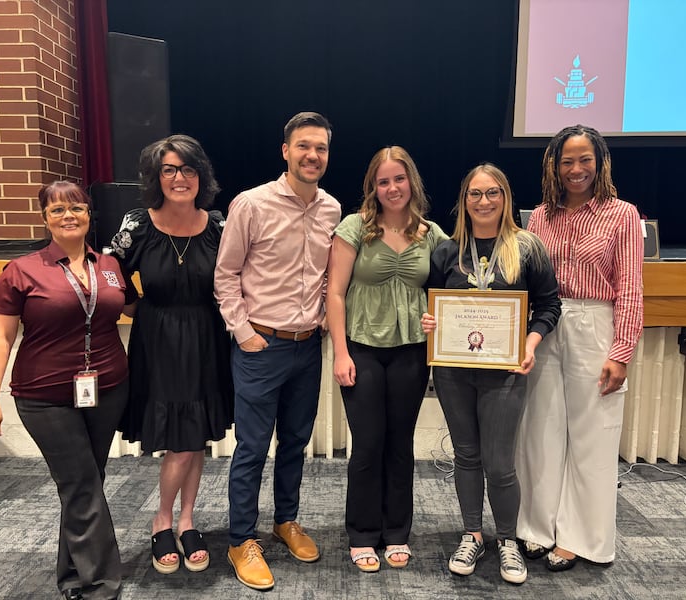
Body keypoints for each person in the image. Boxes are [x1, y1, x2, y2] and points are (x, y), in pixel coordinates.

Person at [0, 181, 137, 600]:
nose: (68, 215)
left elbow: (135, 306)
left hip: (107, 388)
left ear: (89, 215)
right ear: (44, 218)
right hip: (44, 395)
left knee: (85, 481)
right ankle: (101, 585)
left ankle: (72, 576)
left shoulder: (109, 266)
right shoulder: (22, 270)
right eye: (57, 210)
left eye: (77, 208)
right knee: (82, 483)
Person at [214, 111, 341, 591]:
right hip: (260, 345)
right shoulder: (251, 204)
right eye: (304, 146)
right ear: (285, 150)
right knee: (251, 448)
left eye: (322, 148)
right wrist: (243, 332)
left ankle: (285, 521)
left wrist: (328, 320)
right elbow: (225, 274)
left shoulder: (331, 208)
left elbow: (329, 275)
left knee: (296, 442)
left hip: (307, 348)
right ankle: (241, 538)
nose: (313, 155)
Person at [421, 163, 561, 584]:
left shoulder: (528, 247)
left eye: (493, 193)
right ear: (464, 201)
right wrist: (430, 321)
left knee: (499, 463)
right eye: (475, 194)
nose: (484, 201)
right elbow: (430, 302)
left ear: (506, 198)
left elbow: (550, 305)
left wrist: (530, 343)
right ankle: (471, 534)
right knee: (466, 455)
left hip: (505, 370)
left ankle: (507, 541)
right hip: (453, 372)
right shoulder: (447, 250)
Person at [515, 124, 644, 571]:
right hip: (545, 323)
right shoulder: (539, 217)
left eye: (584, 159)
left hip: (595, 325)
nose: (575, 169)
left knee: (593, 434)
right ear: (553, 166)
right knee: (540, 429)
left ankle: (580, 538)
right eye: (566, 161)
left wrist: (621, 352)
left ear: (600, 162)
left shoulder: (622, 215)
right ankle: (535, 527)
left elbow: (630, 288)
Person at [110, 135, 234, 575]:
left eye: (188, 169)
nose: (179, 178)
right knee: (180, 442)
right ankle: (161, 519)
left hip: (207, 336)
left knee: (195, 433)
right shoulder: (137, 223)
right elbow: (109, 273)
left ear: (201, 176)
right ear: (156, 177)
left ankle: (186, 521)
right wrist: (133, 305)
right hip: (158, 339)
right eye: (169, 170)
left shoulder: (218, 225)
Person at [326, 146, 448, 572]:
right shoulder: (354, 228)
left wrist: (440, 320)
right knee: (368, 443)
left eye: (399, 179)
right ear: (372, 188)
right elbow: (335, 293)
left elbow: (450, 291)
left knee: (400, 444)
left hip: (412, 352)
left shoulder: (432, 234)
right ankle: (361, 533)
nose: (392, 188)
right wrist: (339, 353)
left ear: (411, 182)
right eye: (383, 181)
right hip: (361, 348)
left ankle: (396, 531)